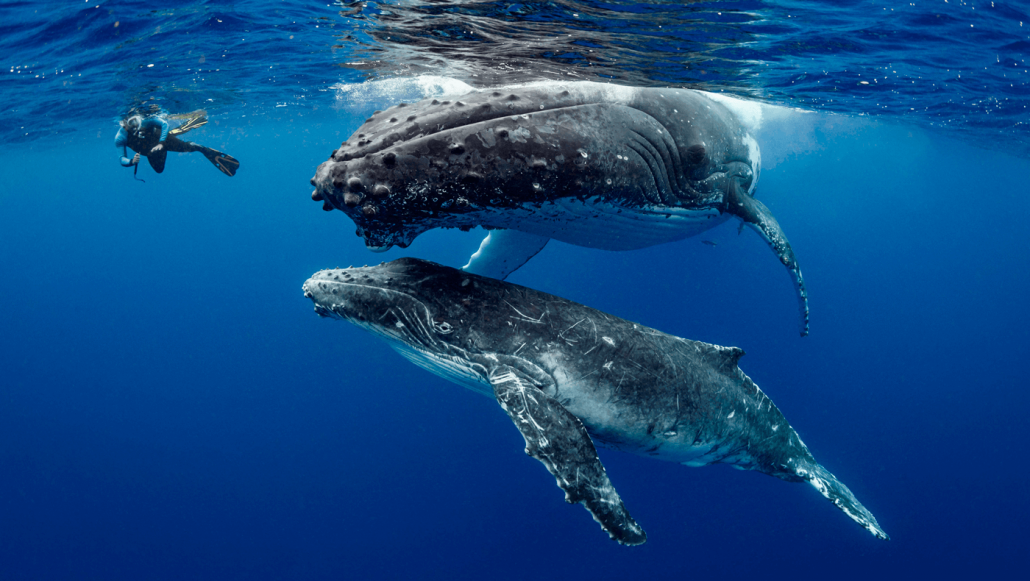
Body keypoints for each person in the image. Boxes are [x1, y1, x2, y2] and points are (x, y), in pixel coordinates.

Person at [115, 112, 240, 177]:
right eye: (130, 124)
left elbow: (164, 124)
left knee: (189, 147)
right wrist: (132, 162)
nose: (134, 127)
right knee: (159, 170)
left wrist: (161, 142)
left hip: (162, 141)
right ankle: (173, 133)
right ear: (123, 124)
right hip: (151, 152)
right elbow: (121, 159)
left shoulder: (145, 121)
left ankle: (200, 148)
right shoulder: (120, 137)